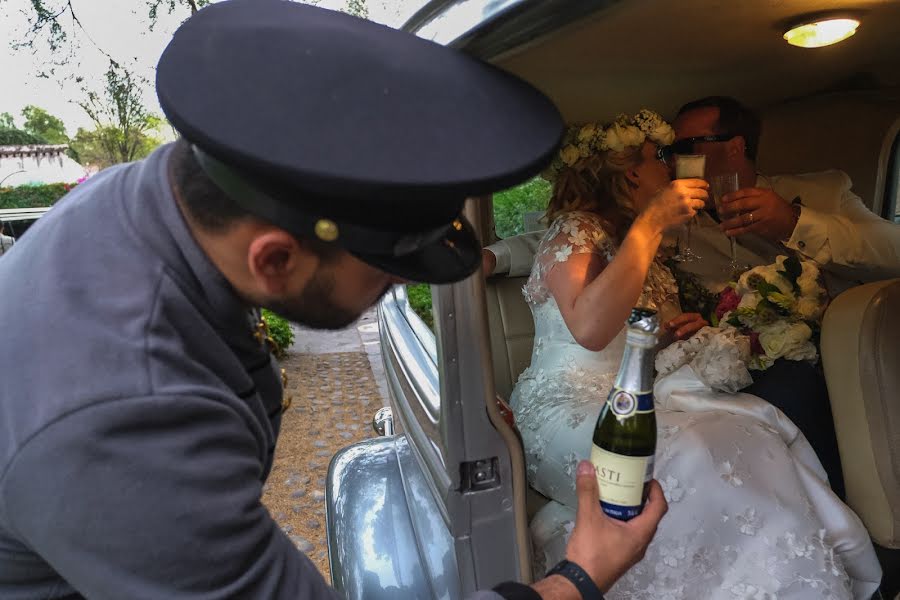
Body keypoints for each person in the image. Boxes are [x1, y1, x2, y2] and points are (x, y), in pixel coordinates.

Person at [0, 3, 667, 600]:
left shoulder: (168, 195)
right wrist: (577, 577)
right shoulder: (123, 417)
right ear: (276, 258)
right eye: (385, 269)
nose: (402, 288)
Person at [507, 111, 881, 598]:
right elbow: (591, 330)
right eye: (659, 158)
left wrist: (682, 332)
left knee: (752, 431)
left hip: (649, 394)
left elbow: (637, 335)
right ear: (634, 172)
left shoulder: (647, 248)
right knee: (695, 451)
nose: (672, 168)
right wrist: (653, 222)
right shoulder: (575, 232)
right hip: (571, 405)